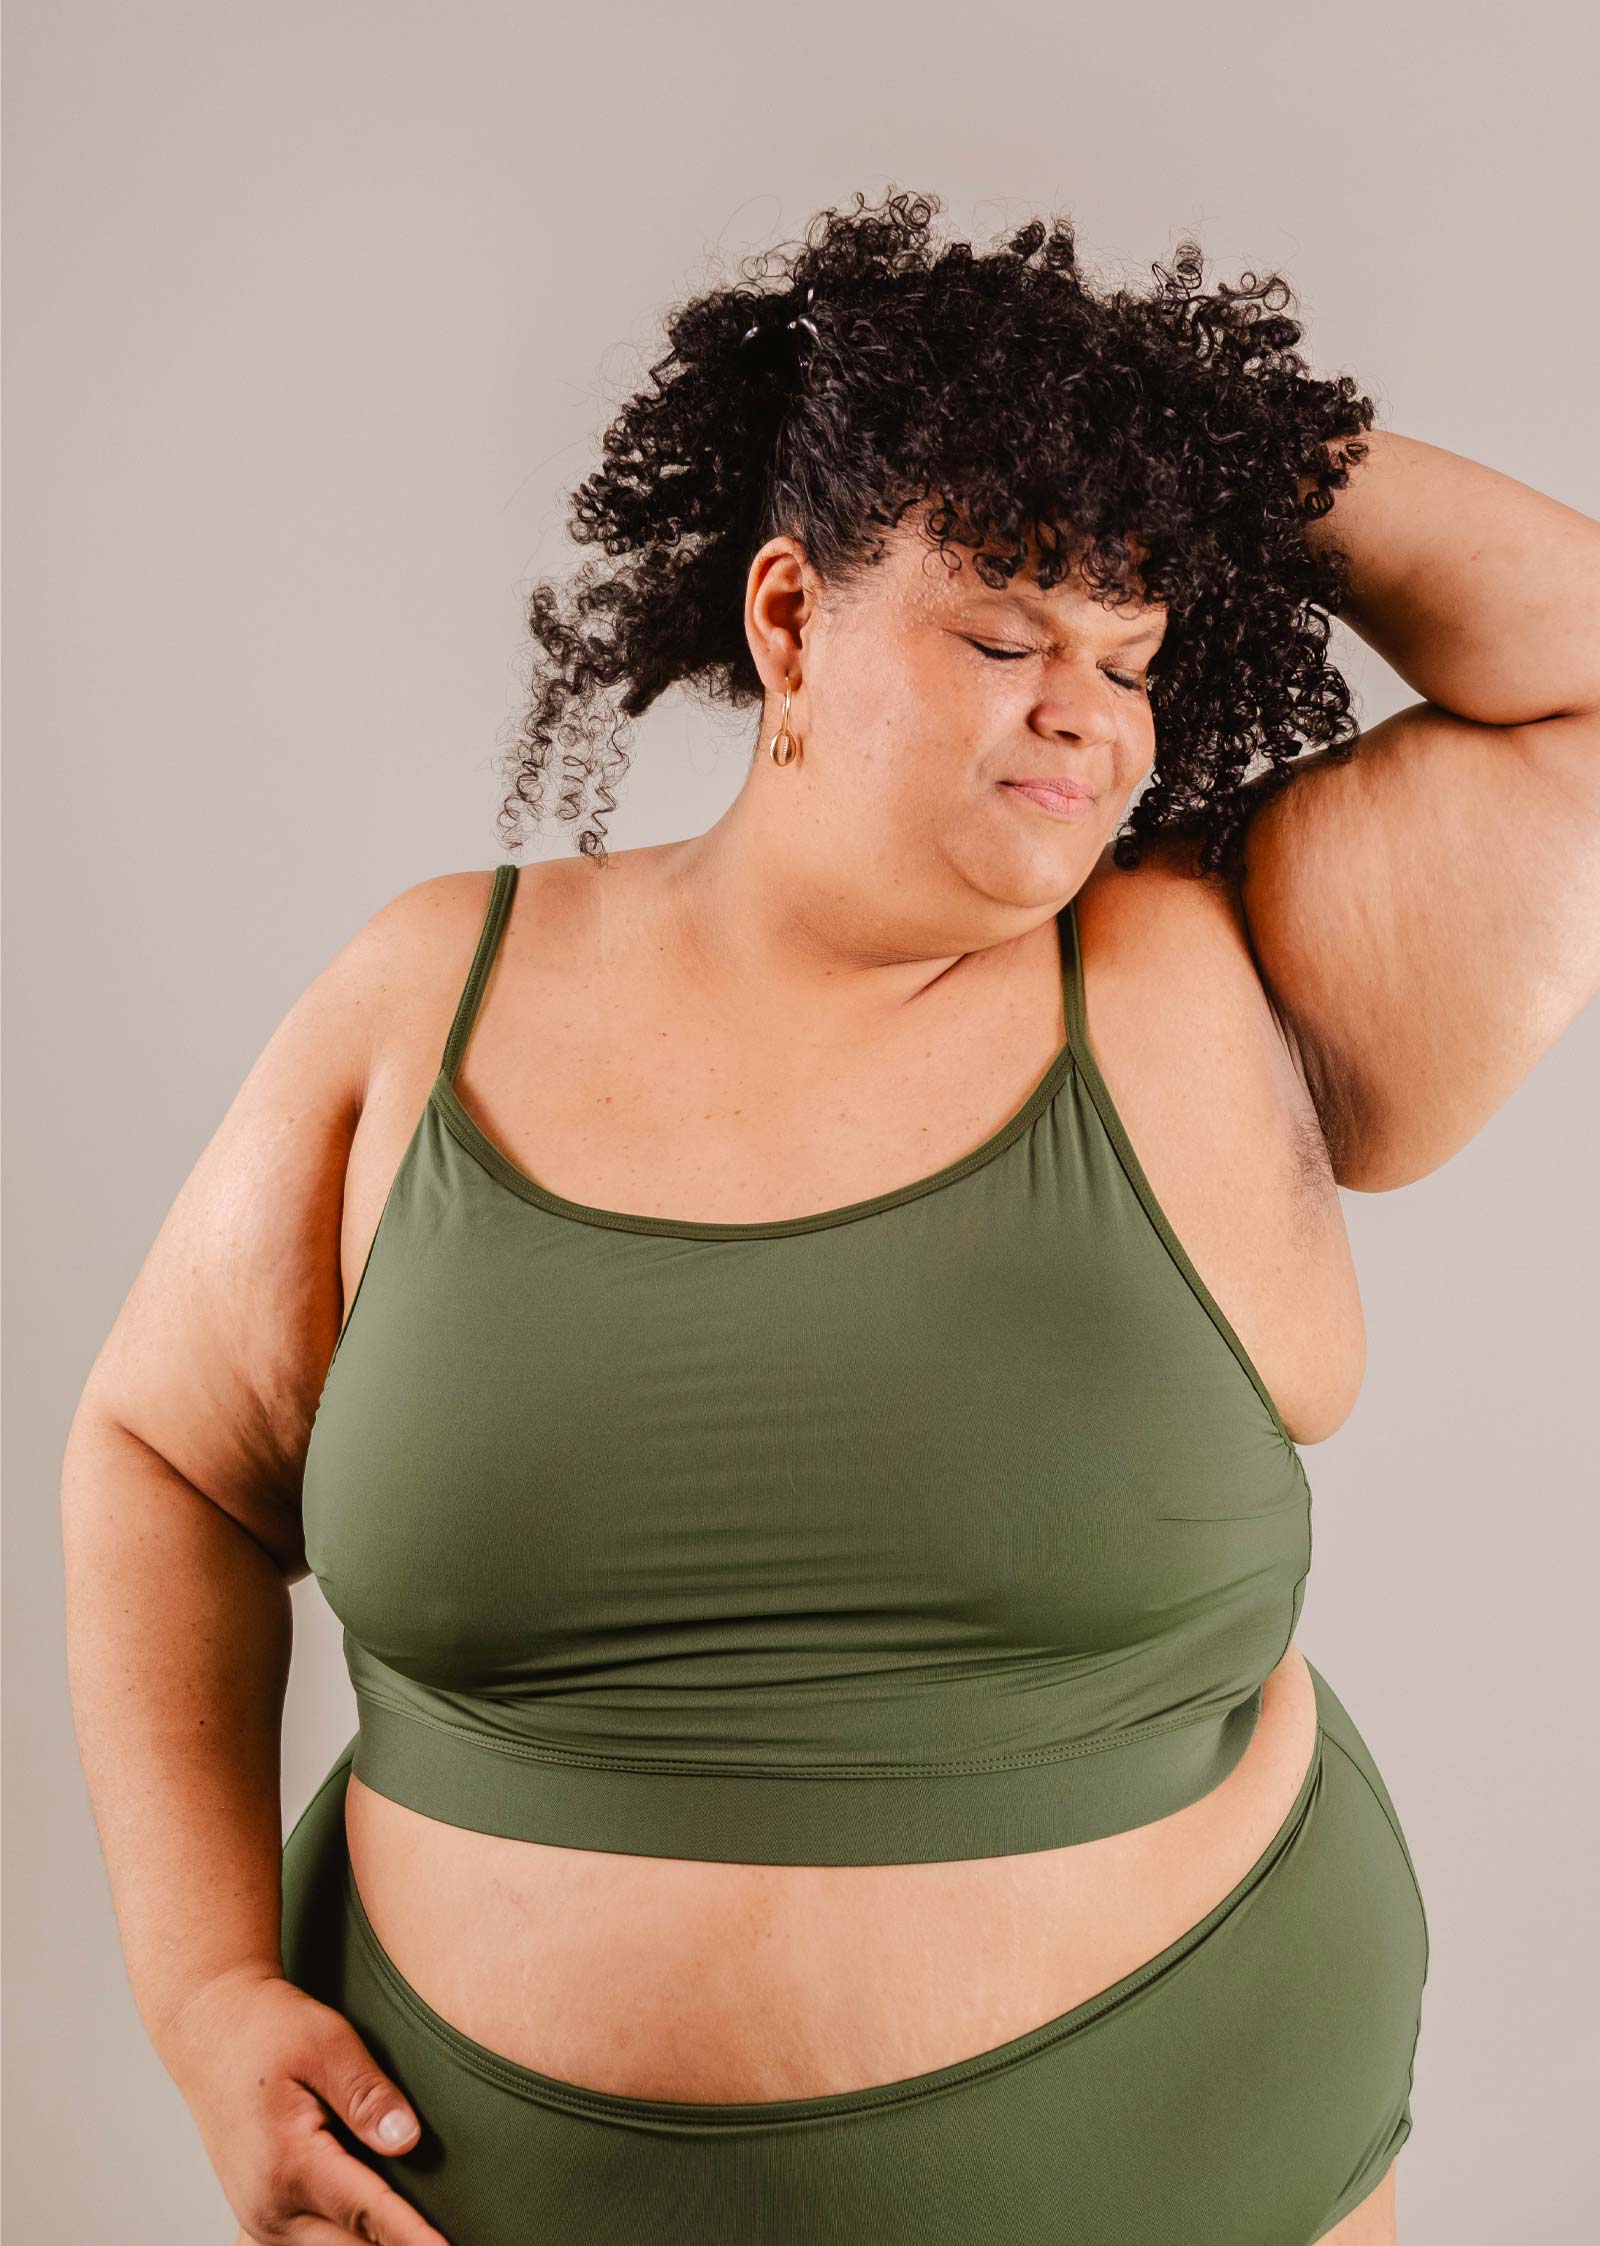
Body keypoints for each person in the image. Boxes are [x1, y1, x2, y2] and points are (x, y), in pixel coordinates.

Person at [61, 190, 1599, 2246]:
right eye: (1001, 633)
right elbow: (161, 1456)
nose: (1087, 714)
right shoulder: (431, 992)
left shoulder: (1213, 973)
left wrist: (1182, 431)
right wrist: (198, 1989)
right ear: (786, 620)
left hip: (1187, 2174)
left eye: (1129, 660)